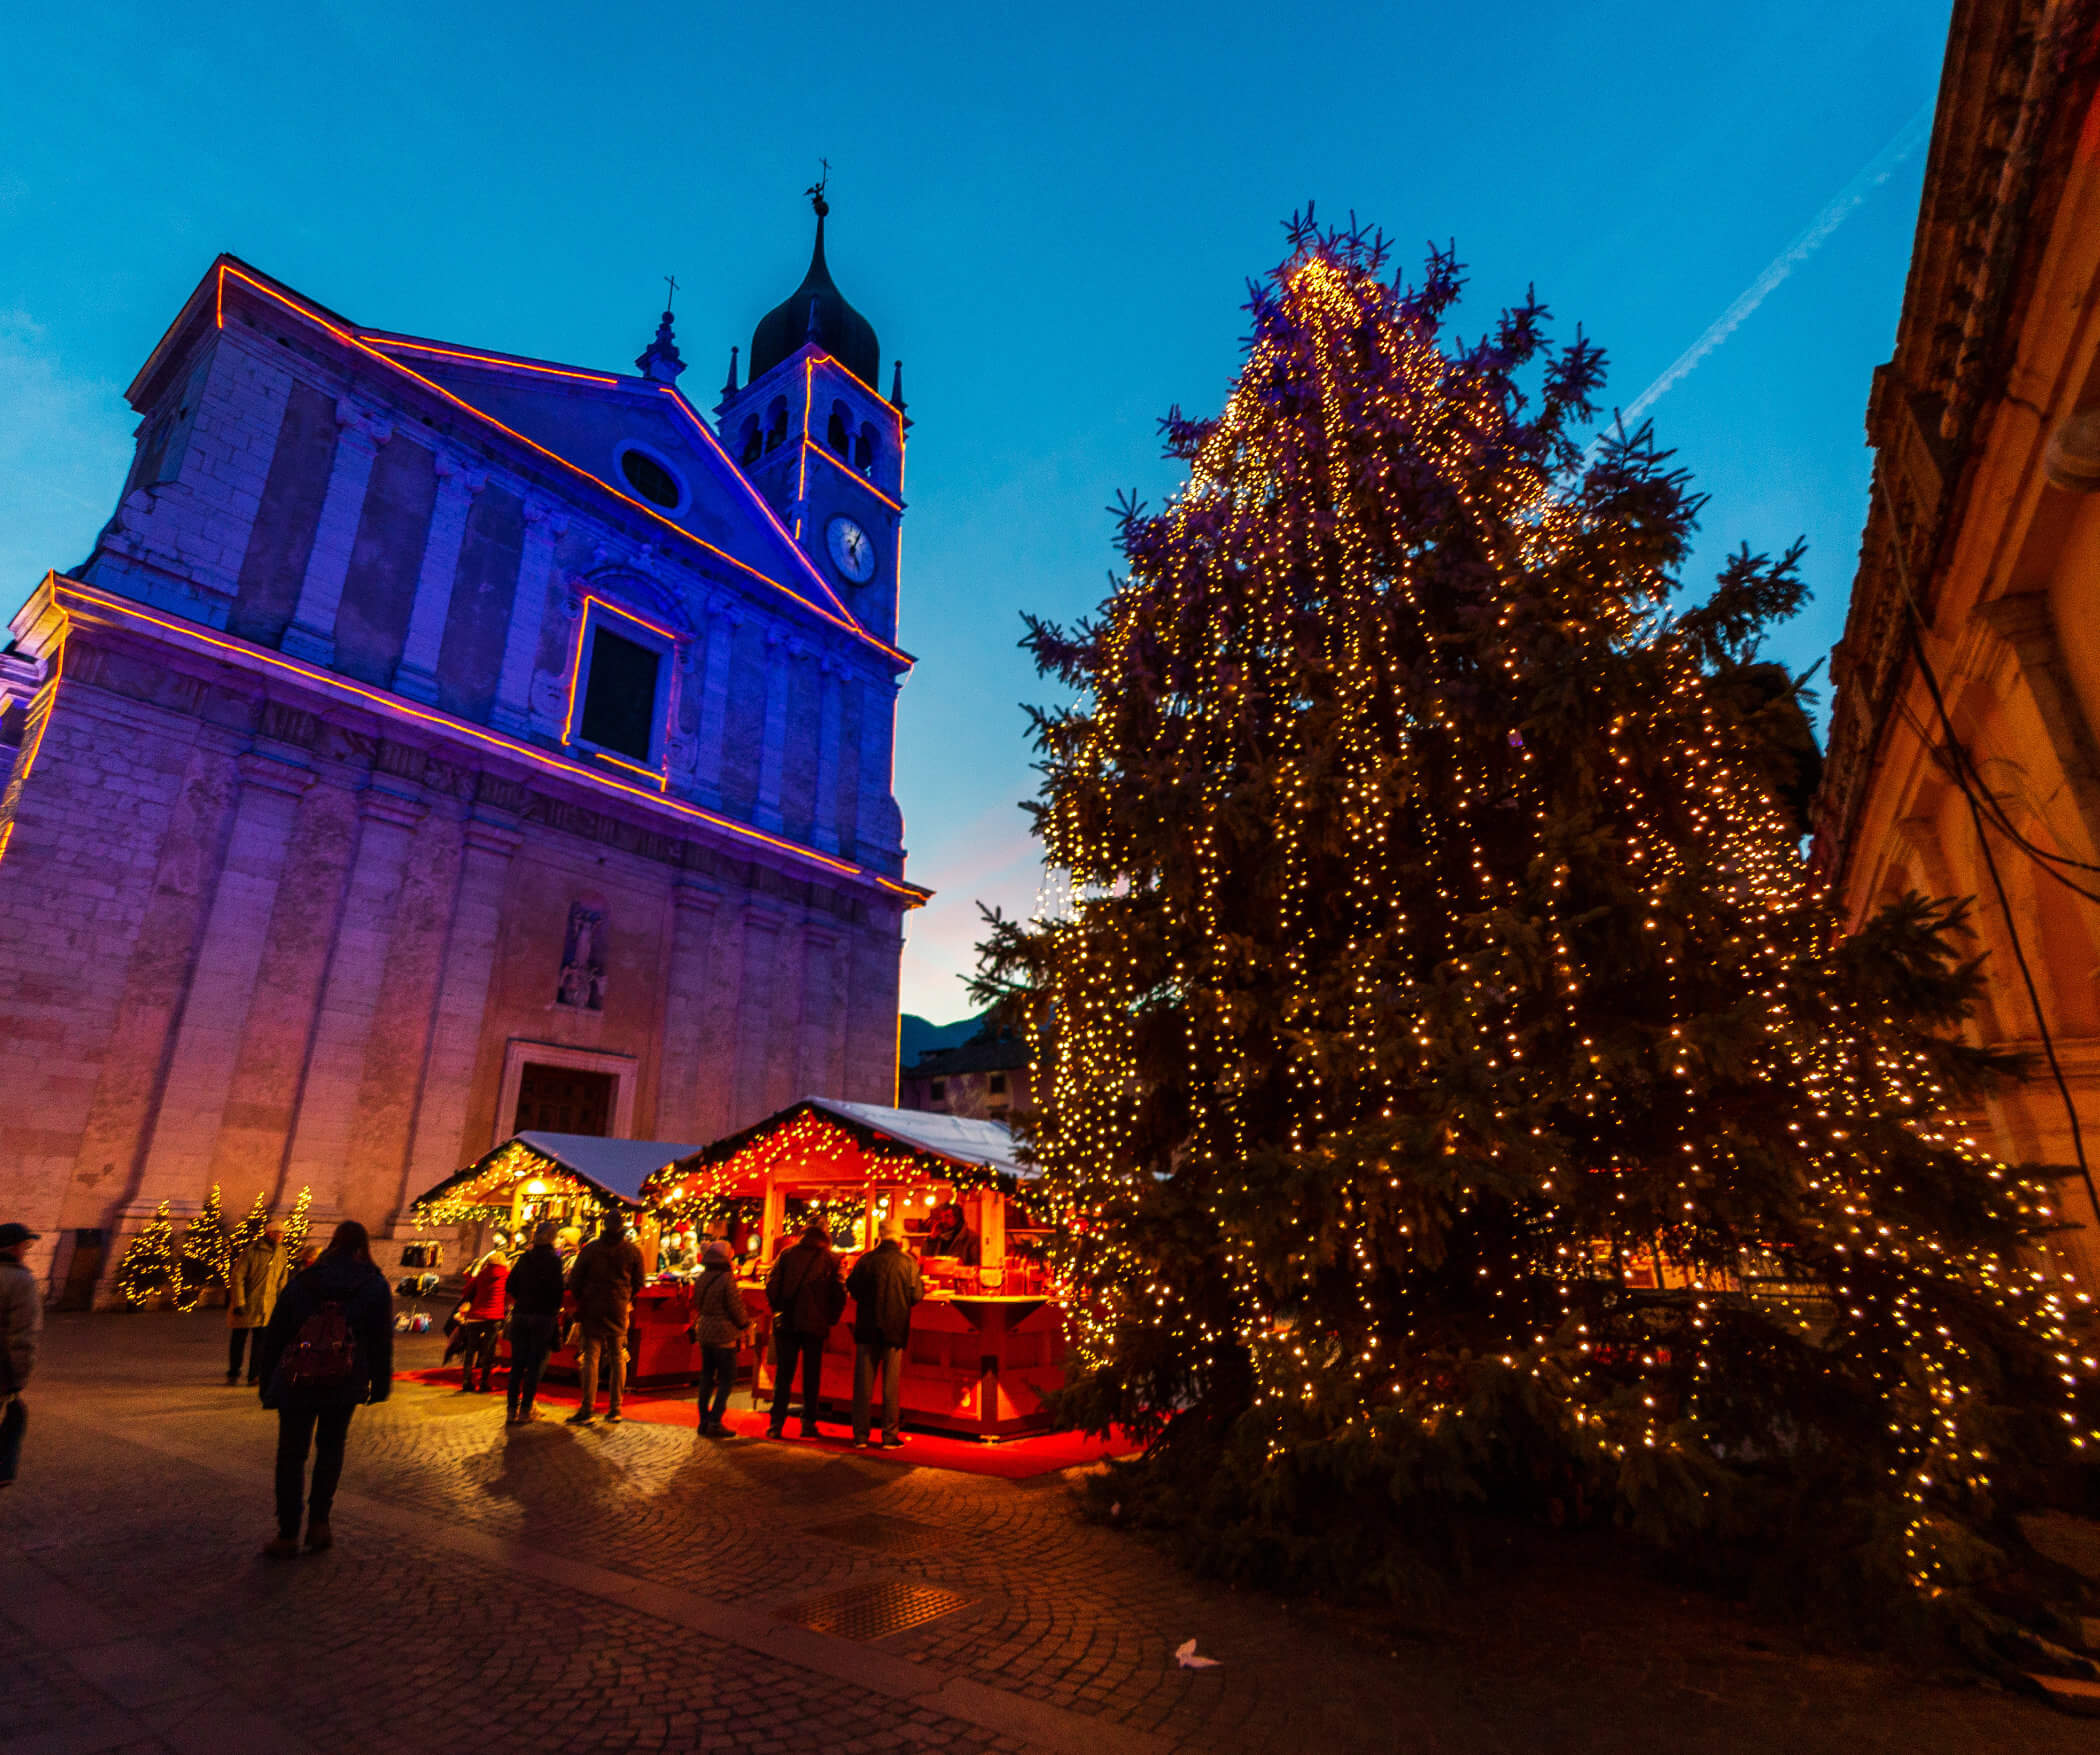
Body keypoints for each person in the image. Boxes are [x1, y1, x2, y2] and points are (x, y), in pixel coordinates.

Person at [255, 1220, 393, 1557]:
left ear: (333, 1243)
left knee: (291, 1454)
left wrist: (266, 1379)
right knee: (330, 1449)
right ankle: (319, 1524)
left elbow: (277, 1332)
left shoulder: (305, 1279)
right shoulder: (374, 1284)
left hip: (298, 1379)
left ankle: (287, 1532)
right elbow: (381, 1340)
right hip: (344, 1378)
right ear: (362, 1247)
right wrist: (380, 1382)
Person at [846, 1214, 922, 1449]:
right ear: (898, 1238)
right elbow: (916, 1295)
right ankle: (889, 1435)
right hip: (895, 1328)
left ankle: (860, 1436)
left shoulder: (865, 1260)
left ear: (879, 1236)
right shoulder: (908, 1262)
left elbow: (852, 1288)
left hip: (866, 1327)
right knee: (891, 1385)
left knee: (863, 1385)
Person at [764, 1220, 845, 1440]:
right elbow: (840, 1291)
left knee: (784, 1375)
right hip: (816, 1324)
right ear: (825, 1236)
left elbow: (771, 1283)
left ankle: (776, 1423)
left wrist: (778, 1308)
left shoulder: (786, 1255)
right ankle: (808, 1423)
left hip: (788, 1322)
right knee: (812, 1375)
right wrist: (831, 1317)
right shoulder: (832, 1259)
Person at [566, 1213, 643, 1426]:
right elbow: (639, 1281)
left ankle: (587, 1408)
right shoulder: (632, 1251)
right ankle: (615, 1408)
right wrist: (625, 1296)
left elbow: (575, 1278)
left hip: (592, 1306)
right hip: (618, 1306)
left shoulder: (591, 1249)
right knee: (618, 1356)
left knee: (591, 1356)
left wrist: (583, 1296)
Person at [688, 1240, 751, 1438]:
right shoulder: (726, 1278)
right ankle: (715, 1420)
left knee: (706, 1377)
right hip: (724, 1334)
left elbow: (697, 1303)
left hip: (705, 1331)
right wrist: (745, 1324)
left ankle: (703, 1420)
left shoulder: (702, 1276)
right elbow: (735, 1306)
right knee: (727, 1378)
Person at [505, 1222, 565, 1425]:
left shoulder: (524, 1258)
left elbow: (510, 1285)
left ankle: (511, 1409)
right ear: (552, 1238)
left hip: (521, 1314)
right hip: (543, 1316)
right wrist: (552, 1307)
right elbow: (558, 1291)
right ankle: (525, 1409)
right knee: (534, 1365)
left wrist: (523, 1298)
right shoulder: (554, 1261)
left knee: (517, 1365)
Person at [0, 1222, 41, 1488]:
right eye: (25, 1245)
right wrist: (19, 1378)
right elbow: (22, 1337)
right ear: (14, 1248)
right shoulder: (20, 1281)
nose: (26, 1250)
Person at [226, 1223, 288, 1385]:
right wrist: (239, 1302)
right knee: (239, 1340)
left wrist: (281, 1302)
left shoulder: (282, 1253)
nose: (281, 1236)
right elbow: (237, 1277)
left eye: (282, 1233)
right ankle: (234, 1372)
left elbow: (282, 1280)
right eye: (278, 1233)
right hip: (247, 1304)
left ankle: (254, 1375)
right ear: (269, 1233)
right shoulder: (251, 1251)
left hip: (267, 1306)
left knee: (261, 1343)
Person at [455, 1245, 511, 1393]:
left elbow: (467, 1291)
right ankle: (484, 1382)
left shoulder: (481, 1274)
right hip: (494, 1317)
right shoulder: (506, 1275)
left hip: (476, 1316)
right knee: (489, 1350)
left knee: (470, 1350)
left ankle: (466, 1381)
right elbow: (510, 1294)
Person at [924, 1201, 980, 1267]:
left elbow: (975, 1266)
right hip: (937, 1273)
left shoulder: (971, 1237)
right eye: (941, 1217)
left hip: (960, 1273)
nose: (943, 1220)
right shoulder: (938, 1236)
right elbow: (924, 1259)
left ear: (958, 1218)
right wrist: (931, 1239)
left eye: (947, 1216)